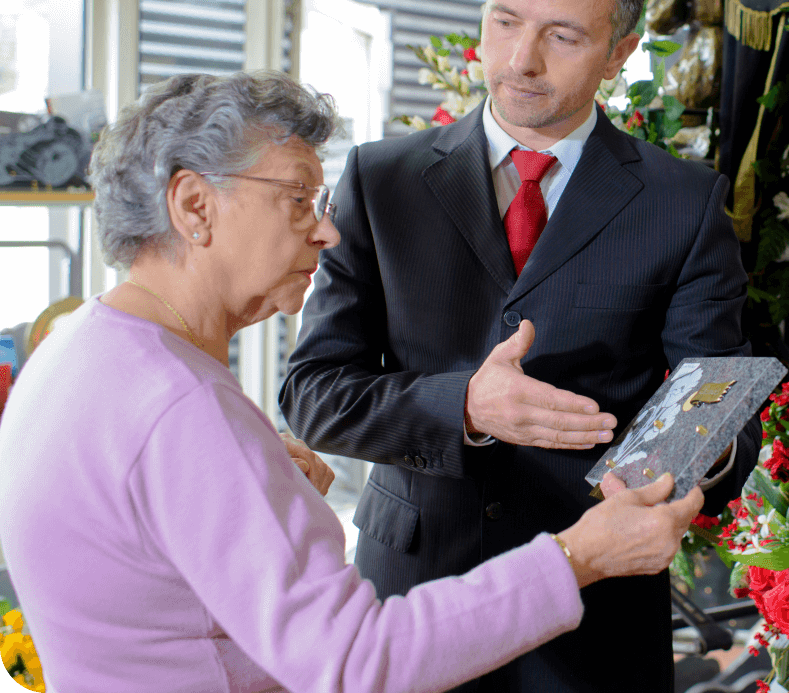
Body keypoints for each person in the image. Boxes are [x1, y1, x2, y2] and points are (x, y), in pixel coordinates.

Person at [0, 71, 705, 693]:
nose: (326, 233)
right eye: (298, 199)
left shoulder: (73, 351)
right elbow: (354, 662)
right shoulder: (183, 409)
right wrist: (579, 556)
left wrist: (256, 500)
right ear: (194, 206)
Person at [281, 0, 759, 692]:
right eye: (504, 22)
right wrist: (465, 407)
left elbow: (714, 401)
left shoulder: (684, 202)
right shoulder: (379, 179)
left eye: (562, 36)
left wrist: (680, 472)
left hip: (598, 617)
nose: (520, 60)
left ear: (620, 52)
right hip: (411, 601)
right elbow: (313, 396)